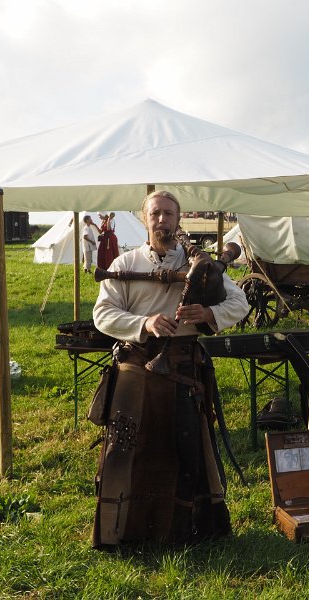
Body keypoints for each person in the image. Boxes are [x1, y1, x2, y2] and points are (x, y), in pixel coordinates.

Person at [91, 190, 250, 548]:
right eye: (155, 214)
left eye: (168, 214)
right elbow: (103, 314)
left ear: (179, 220)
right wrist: (144, 323)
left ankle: (185, 530)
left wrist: (209, 314)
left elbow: (239, 301)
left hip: (182, 369)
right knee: (129, 450)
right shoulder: (123, 263)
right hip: (135, 369)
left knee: (186, 448)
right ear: (145, 219)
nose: (162, 220)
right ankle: (125, 531)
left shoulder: (201, 266)